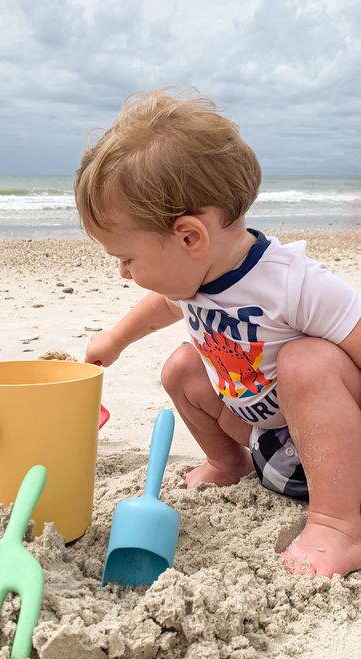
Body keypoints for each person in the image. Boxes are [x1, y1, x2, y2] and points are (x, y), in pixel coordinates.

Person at [74, 89, 361, 578]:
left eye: (127, 258)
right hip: (270, 445)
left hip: (340, 455)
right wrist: (115, 340)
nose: (123, 272)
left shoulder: (293, 282)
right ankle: (228, 463)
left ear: (189, 237)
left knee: (305, 361)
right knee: (183, 366)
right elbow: (161, 306)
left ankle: (339, 525)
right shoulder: (194, 279)